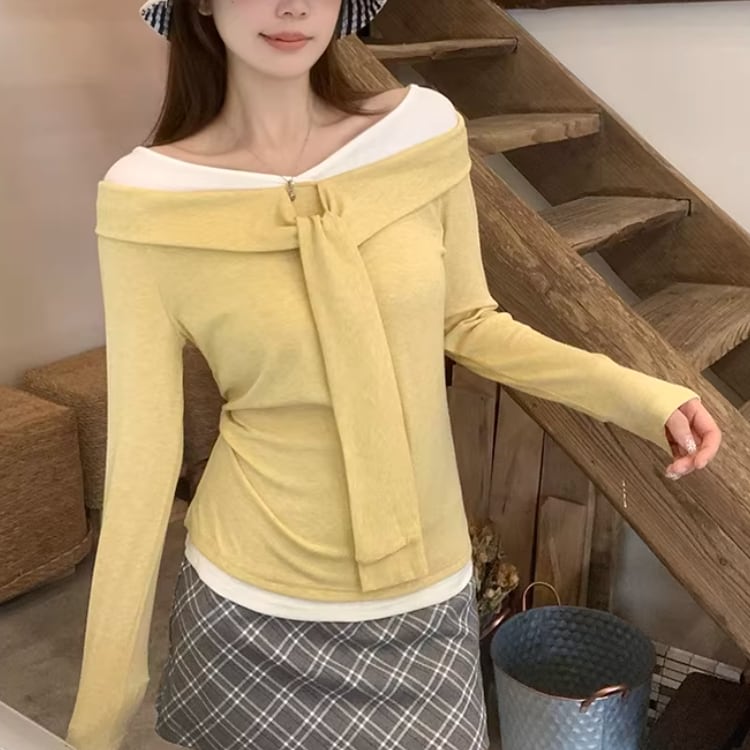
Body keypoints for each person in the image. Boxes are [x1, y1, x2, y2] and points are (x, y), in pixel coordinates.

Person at [65, 1, 722, 748]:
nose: (293, 5)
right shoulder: (148, 201)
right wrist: (96, 721)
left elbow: (469, 322)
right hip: (245, 606)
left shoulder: (420, 133)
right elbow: (143, 456)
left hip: (424, 593)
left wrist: (640, 396)